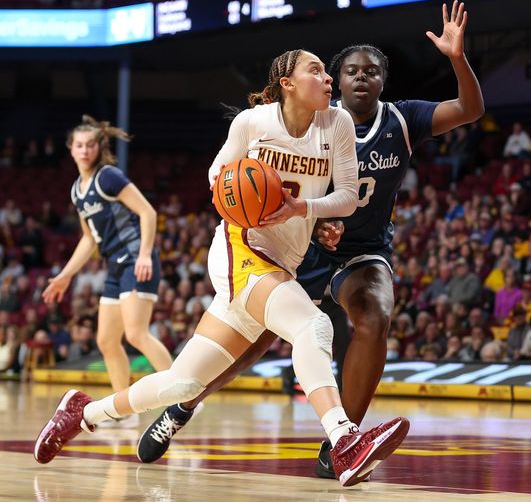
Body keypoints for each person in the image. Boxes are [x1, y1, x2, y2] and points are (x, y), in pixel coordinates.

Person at [136, 0, 483, 479]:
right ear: (335, 82)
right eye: (351, 72)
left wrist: (456, 58)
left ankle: (343, 440)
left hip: (362, 251)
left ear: (383, 80)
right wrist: (309, 218)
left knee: (376, 315)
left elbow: (470, 109)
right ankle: (181, 407)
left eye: (373, 71)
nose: (361, 78)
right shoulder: (315, 120)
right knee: (248, 345)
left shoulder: (404, 119)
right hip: (300, 248)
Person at [34, 49, 408, 487]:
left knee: (183, 385)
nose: (329, 80)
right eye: (317, 71)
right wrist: (249, 199)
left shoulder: (337, 123)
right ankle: (344, 440)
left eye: (328, 73)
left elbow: (346, 196)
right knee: (314, 326)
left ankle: (81, 412)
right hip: (240, 248)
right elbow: (217, 177)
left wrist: (304, 209)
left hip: (282, 260)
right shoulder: (252, 124)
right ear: (287, 83)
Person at [42, 116, 173, 405]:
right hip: (114, 265)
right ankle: (122, 407)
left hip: (137, 260)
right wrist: (65, 275)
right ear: (71, 149)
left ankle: (186, 397)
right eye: (80, 145)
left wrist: (144, 254)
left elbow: (148, 213)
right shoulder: (77, 190)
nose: (85, 150)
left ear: (98, 148)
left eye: (90, 145)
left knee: (137, 334)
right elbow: (89, 239)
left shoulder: (109, 176)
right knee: (106, 340)